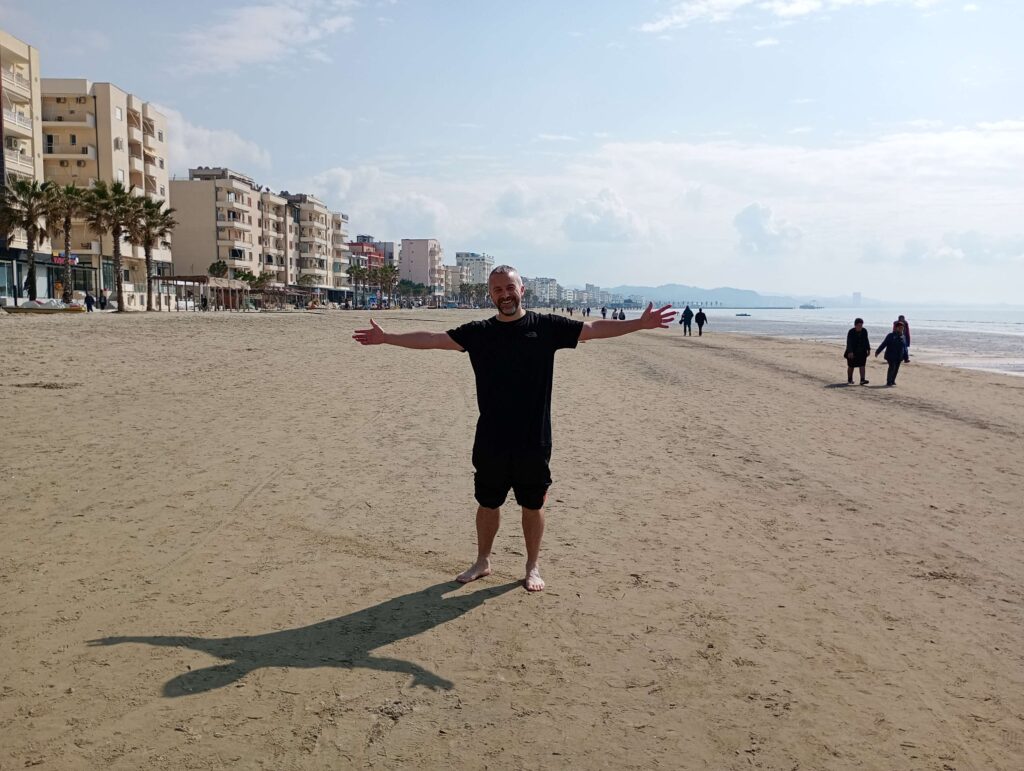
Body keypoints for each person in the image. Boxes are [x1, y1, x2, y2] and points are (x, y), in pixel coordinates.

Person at [353, 265, 676, 592]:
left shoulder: (546, 326)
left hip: (533, 439)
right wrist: (386, 338)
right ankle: (483, 561)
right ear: (491, 295)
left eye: (510, 288)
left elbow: (592, 329)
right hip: (492, 438)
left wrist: (639, 323)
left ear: (522, 290)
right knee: (488, 502)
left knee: (532, 505)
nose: (504, 294)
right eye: (497, 290)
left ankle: (532, 566)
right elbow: (435, 339)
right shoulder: (479, 332)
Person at [876, 320, 908, 386]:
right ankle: (889, 381)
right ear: (896, 328)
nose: (901, 329)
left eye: (902, 328)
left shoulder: (903, 336)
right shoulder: (890, 335)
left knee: (896, 369)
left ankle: (893, 380)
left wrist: (906, 357)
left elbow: (905, 348)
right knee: (892, 367)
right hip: (890, 355)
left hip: (899, 356)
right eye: (899, 327)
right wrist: (878, 351)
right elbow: (884, 344)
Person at [844, 318, 870, 385]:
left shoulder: (864, 331)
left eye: (861, 325)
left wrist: (869, 349)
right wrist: (850, 352)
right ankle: (850, 379)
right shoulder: (851, 331)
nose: (860, 326)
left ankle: (862, 380)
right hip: (852, 352)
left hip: (862, 351)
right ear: (855, 325)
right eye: (859, 325)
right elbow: (848, 342)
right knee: (851, 366)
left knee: (862, 365)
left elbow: (866, 340)